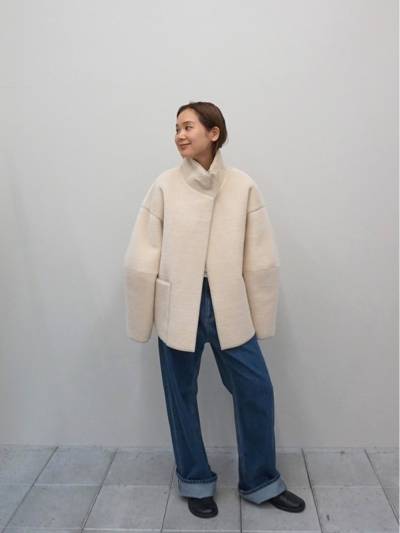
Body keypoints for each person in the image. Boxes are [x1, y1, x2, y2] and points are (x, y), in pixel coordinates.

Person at [123, 101, 305, 518]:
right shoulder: (165, 185)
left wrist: (261, 315)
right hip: (178, 303)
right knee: (180, 396)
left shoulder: (242, 186)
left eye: (188, 127)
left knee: (256, 390)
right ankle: (195, 480)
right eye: (176, 128)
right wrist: (142, 318)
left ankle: (260, 480)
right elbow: (142, 254)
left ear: (214, 132)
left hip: (228, 303)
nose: (180, 135)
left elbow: (260, 256)